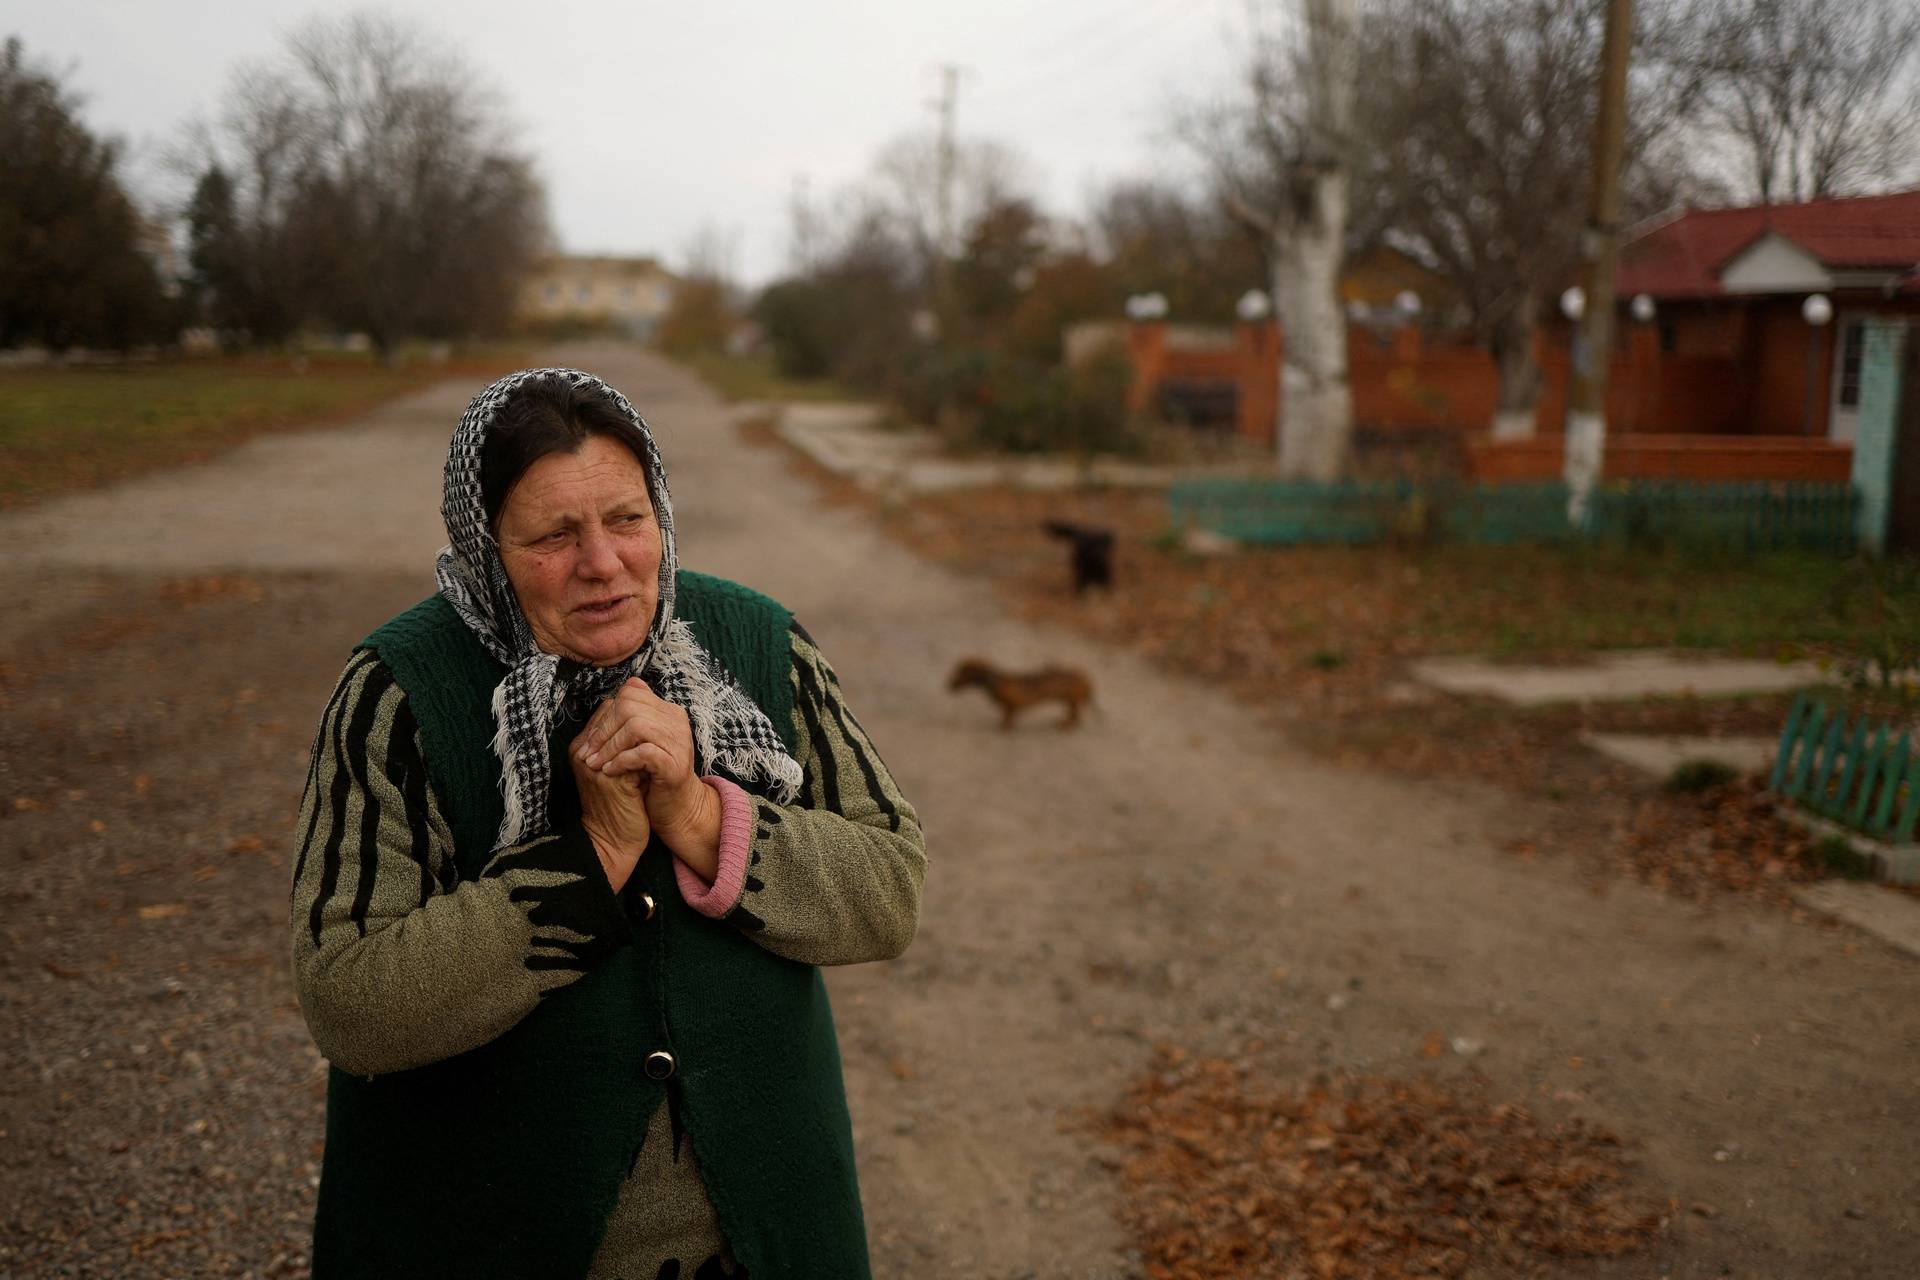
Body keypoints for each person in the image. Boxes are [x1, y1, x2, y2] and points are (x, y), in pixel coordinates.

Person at [289, 367, 925, 1280]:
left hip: (766, 1238)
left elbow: (892, 890)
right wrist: (593, 860)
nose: (604, 563)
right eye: (553, 535)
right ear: (484, 547)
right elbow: (349, 1002)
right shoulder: (399, 695)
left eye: (628, 519)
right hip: (480, 1238)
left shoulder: (761, 645)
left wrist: (701, 814)